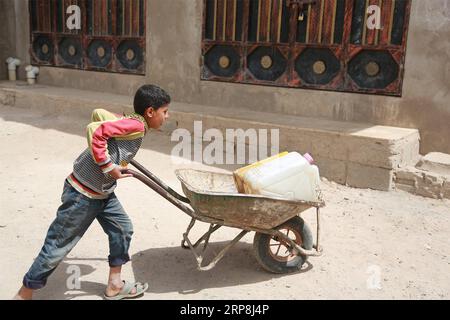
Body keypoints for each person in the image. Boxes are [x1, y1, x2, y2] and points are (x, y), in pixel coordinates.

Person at [14, 84, 171, 300]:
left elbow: (99, 113)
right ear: (150, 112)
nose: (167, 116)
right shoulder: (135, 126)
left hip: (102, 192)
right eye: (165, 112)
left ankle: (115, 285)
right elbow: (95, 130)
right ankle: (24, 294)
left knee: (122, 229)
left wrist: (116, 157)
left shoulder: (130, 121)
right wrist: (108, 165)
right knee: (58, 245)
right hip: (82, 194)